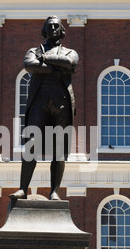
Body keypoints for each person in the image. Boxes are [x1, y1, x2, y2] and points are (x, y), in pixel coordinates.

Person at [9, 16, 79, 201]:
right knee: (31, 146)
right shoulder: (33, 51)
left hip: (62, 103)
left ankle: (54, 191)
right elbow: (29, 65)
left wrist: (46, 60)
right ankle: (23, 189)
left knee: (59, 150)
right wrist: (55, 70)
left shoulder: (70, 51)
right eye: (50, 26)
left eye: (57, 26)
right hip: (39, 104)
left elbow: (70, 63)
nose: (54, 29)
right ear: (45, 30)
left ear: (62, 30)